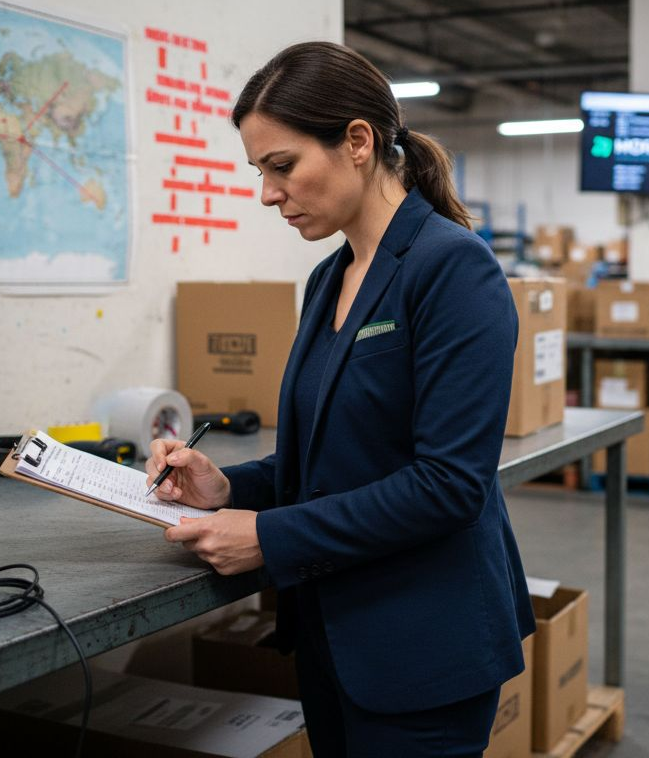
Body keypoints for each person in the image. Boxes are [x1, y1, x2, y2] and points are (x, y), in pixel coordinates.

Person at [146, 41, 535, 757]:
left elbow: (449, 485)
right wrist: (227, 485)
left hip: (423, 648)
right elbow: (328, 459)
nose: (267, 193)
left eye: (282, 166)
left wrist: (267, 537)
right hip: (335, 631)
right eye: (259, 171)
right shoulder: (331, 279)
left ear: (358, 141)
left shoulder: (453, 269)